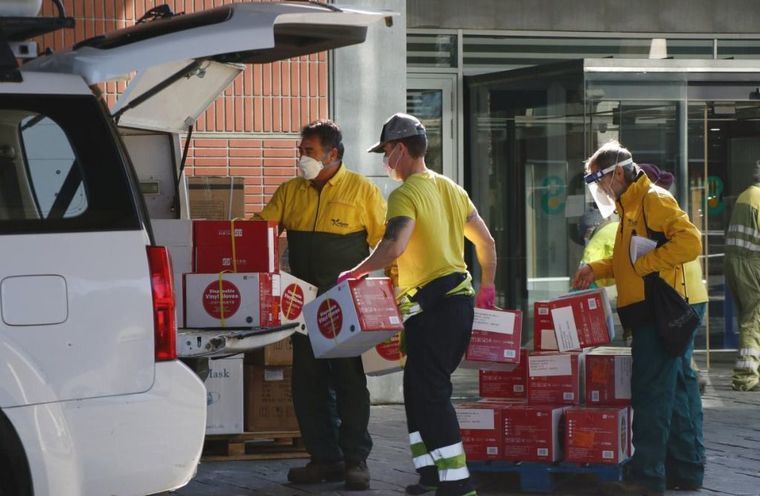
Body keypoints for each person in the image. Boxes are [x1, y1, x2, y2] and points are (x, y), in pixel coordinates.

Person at [338, 113, 497, 496]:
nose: (384, 160)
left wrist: (355, 272)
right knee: (416, 388)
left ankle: (458, 482)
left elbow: (395, 244)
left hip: (436, 306)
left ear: (400, 149)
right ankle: (429, 474)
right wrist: (488, 286)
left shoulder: (406, 194)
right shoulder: (451, 189)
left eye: (385, 152)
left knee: (431, 391)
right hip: (451, 303)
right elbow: (486, 242)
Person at [255, 120, 386, 490]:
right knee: (308, 384)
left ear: (333, 154)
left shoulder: (363, 190)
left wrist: (389, 297)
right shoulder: (290, 191)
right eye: (301, 150)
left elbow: (385, 245)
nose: (302, 158)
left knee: (349, 382)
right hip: (303, 306)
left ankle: (355, 461)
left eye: (309, 151)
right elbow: (261, 230)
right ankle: (324, 459)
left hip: (345, 305)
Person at [572, 141, 704, 496]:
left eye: (600, 181)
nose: (599, 189)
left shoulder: (653, 200)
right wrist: (595, 269)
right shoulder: (628, 208)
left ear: (617, 173)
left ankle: (647, 477)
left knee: (651, 393)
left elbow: (690, 242)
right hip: (645, 311)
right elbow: (623, 262)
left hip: (657, 310)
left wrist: (644, 265)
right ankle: (686, 470)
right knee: (674, 392)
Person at [725, 164, 760, 391]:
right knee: (753, 318)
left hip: (735, 263)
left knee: (749, 317)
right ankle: (746, 376)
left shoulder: (746, 195)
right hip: (751, 263)